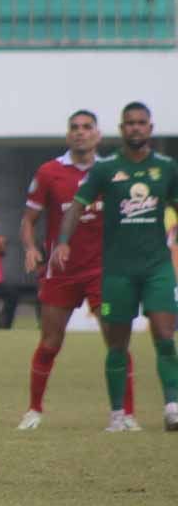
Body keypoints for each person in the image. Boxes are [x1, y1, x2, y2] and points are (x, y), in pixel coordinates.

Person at [53, 101, 178, 431]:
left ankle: (172, 406)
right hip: (117, 271)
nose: (136, 127)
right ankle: (118, 414)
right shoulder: (106, 170)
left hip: (157, 268)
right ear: (122, 130)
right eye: (130, 123)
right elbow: (77, 207)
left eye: (141, 122)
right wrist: (63, 241)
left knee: (165, 335)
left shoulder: (166, 168)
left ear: (150, 129)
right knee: (117, 343)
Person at [18, 110, 138, 431]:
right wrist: (31, 248)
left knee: (116, 340)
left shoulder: (113, 171)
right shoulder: (49, 172)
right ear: (67, 134)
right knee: (50, 342)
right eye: (75, 127)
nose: (80, 133)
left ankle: (125, 413)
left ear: (98, 135)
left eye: (87, 128)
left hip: (103, 270)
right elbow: (28, 221)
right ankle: (34, 410)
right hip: (62, 270)